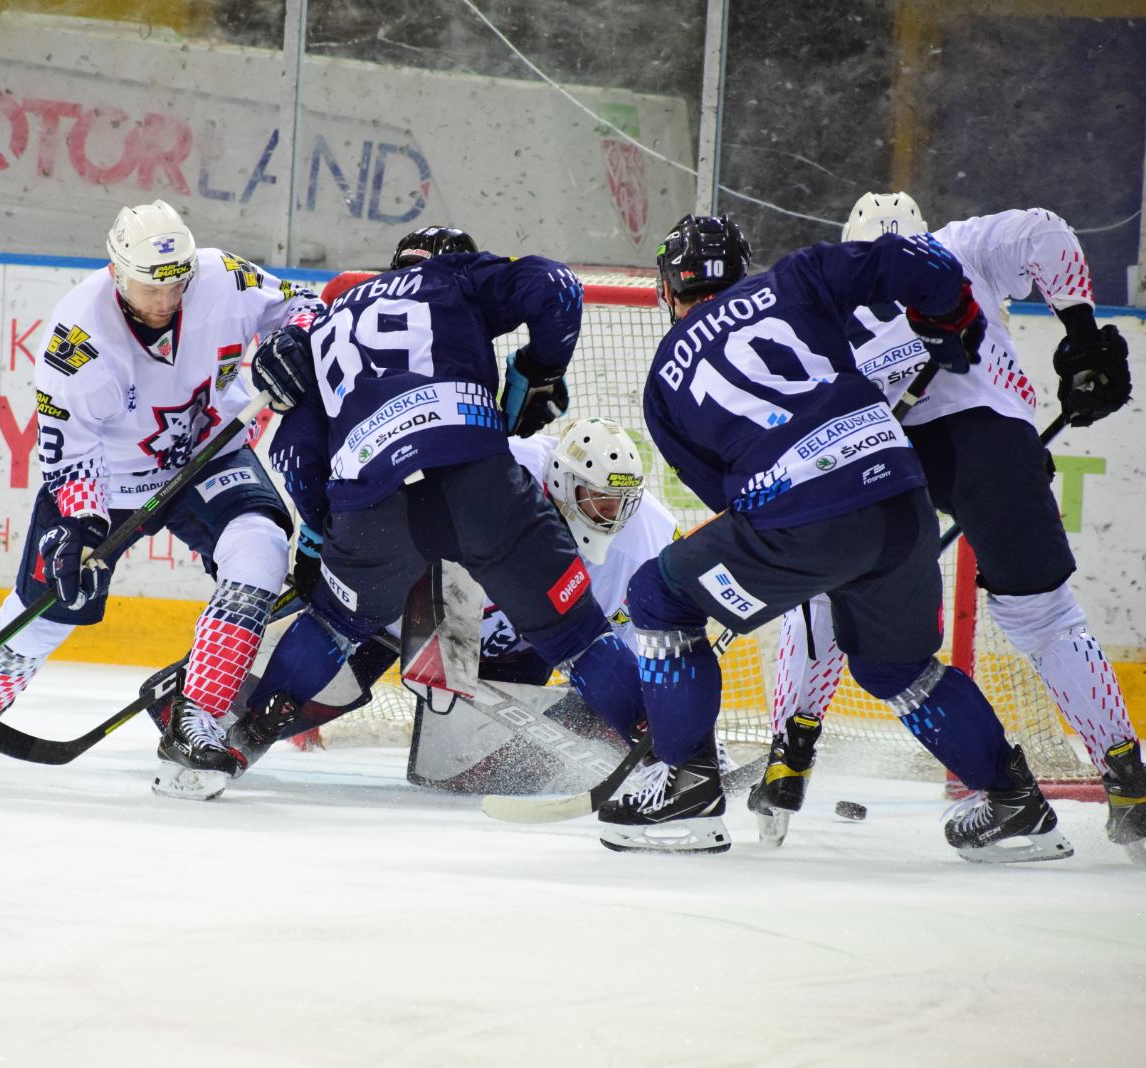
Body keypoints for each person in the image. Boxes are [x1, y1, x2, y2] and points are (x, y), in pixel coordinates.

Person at [601, 213, 1073, 863]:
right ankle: (1014, 802)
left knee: (659, 596)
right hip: (900, 498)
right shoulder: (795, 279)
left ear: (667, 289)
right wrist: (952, 313)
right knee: (895, 667)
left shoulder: (663, 379)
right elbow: (918, 261)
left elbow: (728, 501)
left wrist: (798, 560)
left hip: (804, 519)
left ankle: (686, 781)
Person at [172, 226, 647, 806]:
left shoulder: (330, 317)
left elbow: (295, 450)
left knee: (332, 625)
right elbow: (557, 286)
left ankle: (242, 739)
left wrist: (322, 536)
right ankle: (670, 752)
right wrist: (540, 367)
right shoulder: (456, 279)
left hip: (372, 505)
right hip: (475, 479)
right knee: (578, 636)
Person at [755, 194, 1143, 856]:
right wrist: (1081, 334)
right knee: (1047, 618)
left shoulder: (827, 301)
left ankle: (790, 756)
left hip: (881, 462)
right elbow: (1046, 232)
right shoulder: (957, 244)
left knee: (822, 593)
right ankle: (1130, 782)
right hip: (992, 444)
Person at [0, 200, 323, 799]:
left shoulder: (223, 276)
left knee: (260, 549)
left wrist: (296, 341)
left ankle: (197, 720)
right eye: (151, 287)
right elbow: (70, 449)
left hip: (212, 453)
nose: (167, 300)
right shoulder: (77, 338)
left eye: (177, 284)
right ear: (117, 272)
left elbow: (303, 304)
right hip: (109, 480)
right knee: (50, 607)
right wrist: (80, 523)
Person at [151, 416, 681, 801]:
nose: (610, 516)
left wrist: (653, 719)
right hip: (410, 604)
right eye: (598, 501)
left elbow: (622, 645)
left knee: (469, 771)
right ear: (561, 482)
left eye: (619, 504)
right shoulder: (504, 468)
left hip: (515, 644)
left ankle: (672, 754)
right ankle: (207, 712)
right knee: (311, 695)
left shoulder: (646, 536)